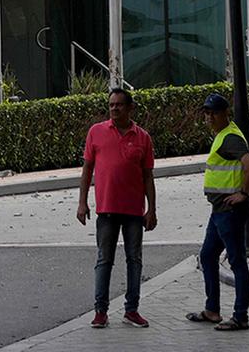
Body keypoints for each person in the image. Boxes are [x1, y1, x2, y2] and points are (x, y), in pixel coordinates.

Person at [76, 87, 156, 329]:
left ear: (130, 108)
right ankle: (100, 311)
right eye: (111, 105)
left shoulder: (142, 137)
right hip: (106, 209)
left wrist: (151, 209)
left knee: (135, 260)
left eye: (119, 105)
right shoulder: (96, 132)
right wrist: (82, 202)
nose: (114, 109)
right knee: (104, 260)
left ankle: (132, 310)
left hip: (133, 211)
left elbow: (148, 176)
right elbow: (87, 169)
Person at [186, 94, 249, 332]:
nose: (209, 118)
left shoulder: (230, 138)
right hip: (219, 210)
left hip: (230, 210)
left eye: (213, 113)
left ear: (225, 113)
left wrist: (243, 194)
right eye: (206, 113)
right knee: (207, 255)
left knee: (237, 261)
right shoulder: (223, 135)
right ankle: (212, 310)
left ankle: (240, 317)